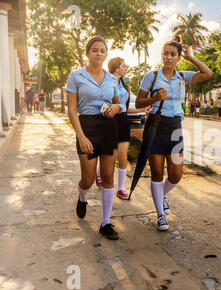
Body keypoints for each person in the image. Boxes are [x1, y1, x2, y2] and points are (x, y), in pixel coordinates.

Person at [135, 36, 213, 231]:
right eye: (165, 54)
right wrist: (154, 98)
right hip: (156, 127)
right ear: (161, 55)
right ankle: (160, 215)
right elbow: (138, 103)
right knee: (157, 173)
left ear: (178, 57)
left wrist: (191, 57)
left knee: (177, 174)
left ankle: (162, 196)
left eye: (173, 54)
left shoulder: (182, 76)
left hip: (175, 127)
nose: (168, 57)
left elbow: (207, 73)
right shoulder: (151, 77)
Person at [66, 35, 123, 240]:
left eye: (102, 50)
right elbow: (72, 110)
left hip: (108, 128)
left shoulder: (111, 79)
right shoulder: (76, 76)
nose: (98, 53)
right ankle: (82, 197)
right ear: (87, 52)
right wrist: (81, 136)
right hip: (87, 128)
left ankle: (106, 223)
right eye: (94, 50)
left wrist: (116, 107)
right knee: (89, 179)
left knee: (108, 177)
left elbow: (118, 103)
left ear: (106, 54)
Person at [95, 57, 150, 197]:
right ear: (116, 68)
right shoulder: (105, 82)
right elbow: (100, 103)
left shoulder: (124, 86)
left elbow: (124, 108)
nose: (126, 68)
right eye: (123, 66)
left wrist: (142, 110)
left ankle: (120, 188)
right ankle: (99, 175)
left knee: (123, 156)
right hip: (109, 120)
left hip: (123, 121)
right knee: (108, 155)